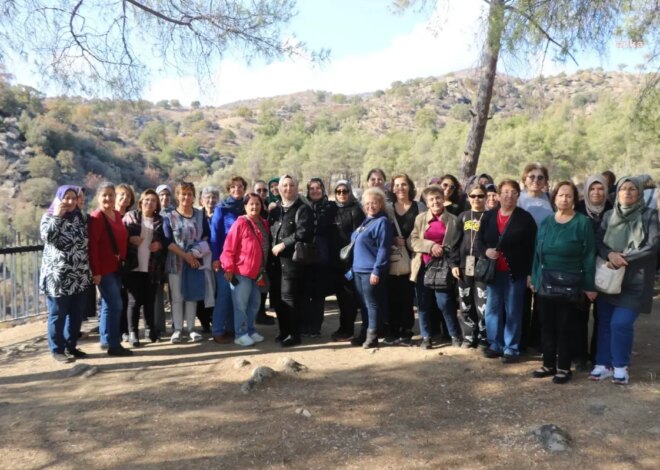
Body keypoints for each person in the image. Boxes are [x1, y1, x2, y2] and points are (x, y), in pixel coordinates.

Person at [590, 176, 659, 385]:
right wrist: (611, 254)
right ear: (617, 193)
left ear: (639, 193)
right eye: (623, 189)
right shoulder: (609, 215)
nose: (627, 193)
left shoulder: (649, 215)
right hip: (610, 278)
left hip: (635, 281)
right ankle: (603, 364)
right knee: (604, 323)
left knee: (620, 323)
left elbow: (653, 245)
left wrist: (624, 259)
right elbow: (599, 241)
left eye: (632, 189)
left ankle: (620, 365)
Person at [530, 181, 596, 384]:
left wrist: (589, 285)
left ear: (574, 199)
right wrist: (534, 278)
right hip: (546, 281)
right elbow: (537, 254)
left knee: (566, 326)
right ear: (554, 198)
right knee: (546, 324)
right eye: (560, 195)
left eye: (568, 195)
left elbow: (589, 255)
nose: (564, 199)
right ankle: (548, 364)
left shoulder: (582, 222)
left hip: (571, 282)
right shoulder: (546, 222)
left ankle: (564, 367)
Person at [479, 179, 537, 363]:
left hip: (516, 272)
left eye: (513, 192)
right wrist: (486, 251)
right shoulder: (488, 216)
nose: (509, 196)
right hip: (494, 272)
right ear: (497, 195)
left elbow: (532, 247)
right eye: (505, 192)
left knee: (513, 310)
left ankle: (511, 348)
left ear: (518, 196)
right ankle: (495, 345)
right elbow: (479, 240)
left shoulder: (525, 218)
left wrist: (530, 273)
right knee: (492, 309)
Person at [40, 185, 93, 363]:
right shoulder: (48, 217)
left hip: (79, 276)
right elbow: (48, 237)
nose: (70, 202)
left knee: (76, 315)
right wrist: (57, 217)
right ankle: (57, 349)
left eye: (74, 198)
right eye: (67, 198)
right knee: (58, 314)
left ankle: (71, 346)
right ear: (59, 199)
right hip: (58, 278)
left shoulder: (81, 218)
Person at [410, 185, 462, 349]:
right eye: (431, 199)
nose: (435, 202)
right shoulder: (420, 219)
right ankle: (426, 337)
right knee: (423, 303)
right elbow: (412, 241)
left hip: (444, 267)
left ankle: (454, 334)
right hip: (423, 266)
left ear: (443, 199)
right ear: (426, 202)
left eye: (438, 198)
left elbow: (457, 243)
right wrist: (431, 246)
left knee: (444, 302)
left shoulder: (453, 219)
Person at [268, 175, 315, 347]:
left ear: (296, 188)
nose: (288, 188)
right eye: (284, 185)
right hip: (274, 263)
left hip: (291, 262)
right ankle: (284, 331)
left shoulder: (303, 209)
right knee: (278, 299)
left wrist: (283, 244)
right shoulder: (274, 210)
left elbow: (303, 233)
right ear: (278, 189)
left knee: (290, 298)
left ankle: (294, 334)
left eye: (291, 185)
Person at [88, 182, 133, 356]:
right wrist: (96, 272)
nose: (108, 198)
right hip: (104, 270)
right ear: (98, 198)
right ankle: (115, 345)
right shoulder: (97, 217)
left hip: (117, 267)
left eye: (111, 195)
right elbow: (92, 247)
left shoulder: (116, 214)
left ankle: (106, 339)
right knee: (116, 304)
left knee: (108, 305)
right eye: (104, 195)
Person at [162, 181, 210, 344]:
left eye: (189, 194)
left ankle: (191, 329)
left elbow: (206, 236)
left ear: (193, 197)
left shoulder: (200, 214)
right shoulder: (169, 217)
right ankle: (177, 329)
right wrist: (185, 255)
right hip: (176, 262)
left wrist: (194, 253)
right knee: (177, 297)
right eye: (183, 194)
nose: (186, 197)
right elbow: (167, 241)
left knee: (192, 296)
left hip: (195, 261)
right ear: (177, 196)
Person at [221, 193, 270, 347]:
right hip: (241, 272)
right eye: (251, 204)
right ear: (245, 206)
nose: (254, 207)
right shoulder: (240, 223)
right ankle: (240, 334)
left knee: (254, 303)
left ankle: (250, 329)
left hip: (258, 272)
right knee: (240, 305)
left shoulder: (263, 222)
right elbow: (229, 247)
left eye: (257, 204)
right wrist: (228, 268)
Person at [575, 174, 612, 365]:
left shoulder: (613, 211)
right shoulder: (578, 210)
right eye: (592, 188)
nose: (596, 192)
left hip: (607, 269)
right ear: (586, 191)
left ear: (606, 191)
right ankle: (580, 356)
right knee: (579, 315)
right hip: (581, 269)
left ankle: (598, 355)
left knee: (602, 315)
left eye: (600, 189)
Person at [350, 188, 393, 348]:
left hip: (370, 270)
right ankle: (364, 333)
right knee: (363, 304)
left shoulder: (382, 222)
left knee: (372, 303)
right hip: (357, 269)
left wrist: (377, 270)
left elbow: (383, 249)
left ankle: (373, 335)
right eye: (367, 203)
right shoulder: (365, 221)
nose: (370, 206)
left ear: (381, 204)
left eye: (374, 203)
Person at [122, 189, 166, 346]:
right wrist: (129, 239)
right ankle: (133, 332)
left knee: (149, 300)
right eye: (147, 199)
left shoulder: (161, 221)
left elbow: (167, 242)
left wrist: (159, 244)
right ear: (141, 202)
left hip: (153, 267)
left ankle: (150, 330)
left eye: (153, 200)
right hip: (133, 266)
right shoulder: (130, 217)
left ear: (157, 204)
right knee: (133, 301)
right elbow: (120, 237)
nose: (149, 202)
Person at [517, 163, 553, 353]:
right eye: (531, 177)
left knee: (542, 301)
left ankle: (537, 340)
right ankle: (521, 341)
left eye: (540, 177)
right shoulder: (519, 200)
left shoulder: (551, 200)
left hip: (546, 256)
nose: (536, 181)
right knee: (522, 300)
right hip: (523, 255)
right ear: (524, 179)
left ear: (545, 181)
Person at [386, 173, 424, 345]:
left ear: (410, 187)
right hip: (393, 257)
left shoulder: (420, 207)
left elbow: (426, 230)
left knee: (408, 296)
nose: (400, 188)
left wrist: (412, 242)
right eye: (397, 185)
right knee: (392, 294)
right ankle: (393, 330)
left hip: (415, 257)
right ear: (393, 188)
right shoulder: (387, 208)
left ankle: (406, 331)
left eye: (404, 184)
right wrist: (393, 240)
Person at [210, 176, 247, 343]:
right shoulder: (221, 209)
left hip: (243, 261)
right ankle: (217, 330)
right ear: (229, 190)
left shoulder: (246, 207)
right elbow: (215, 235)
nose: (237, 189)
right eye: (233, 187)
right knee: (224, 295)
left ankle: (232, 329)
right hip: (225, 259)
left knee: (237, 296)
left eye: (240, 186)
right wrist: (216, 258)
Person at [329, 179, 365, 341]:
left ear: (350, 192)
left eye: (345, 191)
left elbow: (358, 237)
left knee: (349, 299)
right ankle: (344, 327)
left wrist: (352, 260)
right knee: (341, 298)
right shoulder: (332, 209)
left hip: (350, 261)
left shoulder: (356, 210)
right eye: (338, 191)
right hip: (335, 261)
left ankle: (348, 329)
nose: (342, 194)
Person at [302, 177, 336, 337]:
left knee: (318, 295)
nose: (315, 191)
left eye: (318, 188)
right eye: (312, 188)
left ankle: (315, 327)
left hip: (323, 256)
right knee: (304, 292)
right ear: (307, 191)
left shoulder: (331, 207)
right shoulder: (302, 207)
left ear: (323, 190)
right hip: (304, 256)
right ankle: (305, 325)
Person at [456, 183, 488, 349]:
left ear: (486, 197)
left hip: (484, 266)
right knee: (465, 302)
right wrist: (453, 263)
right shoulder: (463, 216)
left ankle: (484, 337)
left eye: (480, 196)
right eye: (473, 196)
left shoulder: (490, 216)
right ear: (468, 198)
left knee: (483, 303)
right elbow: (454, 242)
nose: (477, 199)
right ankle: (468, 337)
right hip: (463, 265)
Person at [196, 186, 220, 333]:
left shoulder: (220, 214)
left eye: (214, 197)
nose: (211, 200)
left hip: (216, 257)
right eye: (208, 197)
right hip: (201, 257)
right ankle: (204, 320)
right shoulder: (197, 215)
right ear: (201, 200)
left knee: (216, 289)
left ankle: (214, 319)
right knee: (202, 289)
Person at [115, 183, 136, 343]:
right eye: (121, 194)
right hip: (110, 263)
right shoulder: (107, 215)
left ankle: (124, 330)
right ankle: (111, 331)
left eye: (128, 196)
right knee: (112, 298)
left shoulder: (133, 217)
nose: (125, 198)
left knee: (126, 298)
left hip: (128, 263)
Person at [253, 179, 276, 325]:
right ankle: (256, 313)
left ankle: (261, 311)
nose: (262, 193)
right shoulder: (251, 206)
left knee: (264, 284)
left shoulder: (269, 207)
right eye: (259, 190)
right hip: (255, 254)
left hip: (268, 253)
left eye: (264, 190)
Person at [154, 184, 174, 335]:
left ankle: (177, 325)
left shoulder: (176, 213)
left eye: (167, 195)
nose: (164, 198)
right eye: (161, 195)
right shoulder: (151, 214)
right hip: (157, 260)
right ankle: (158, 327)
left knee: (175, 293)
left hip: (174, 258)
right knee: (157, 294)